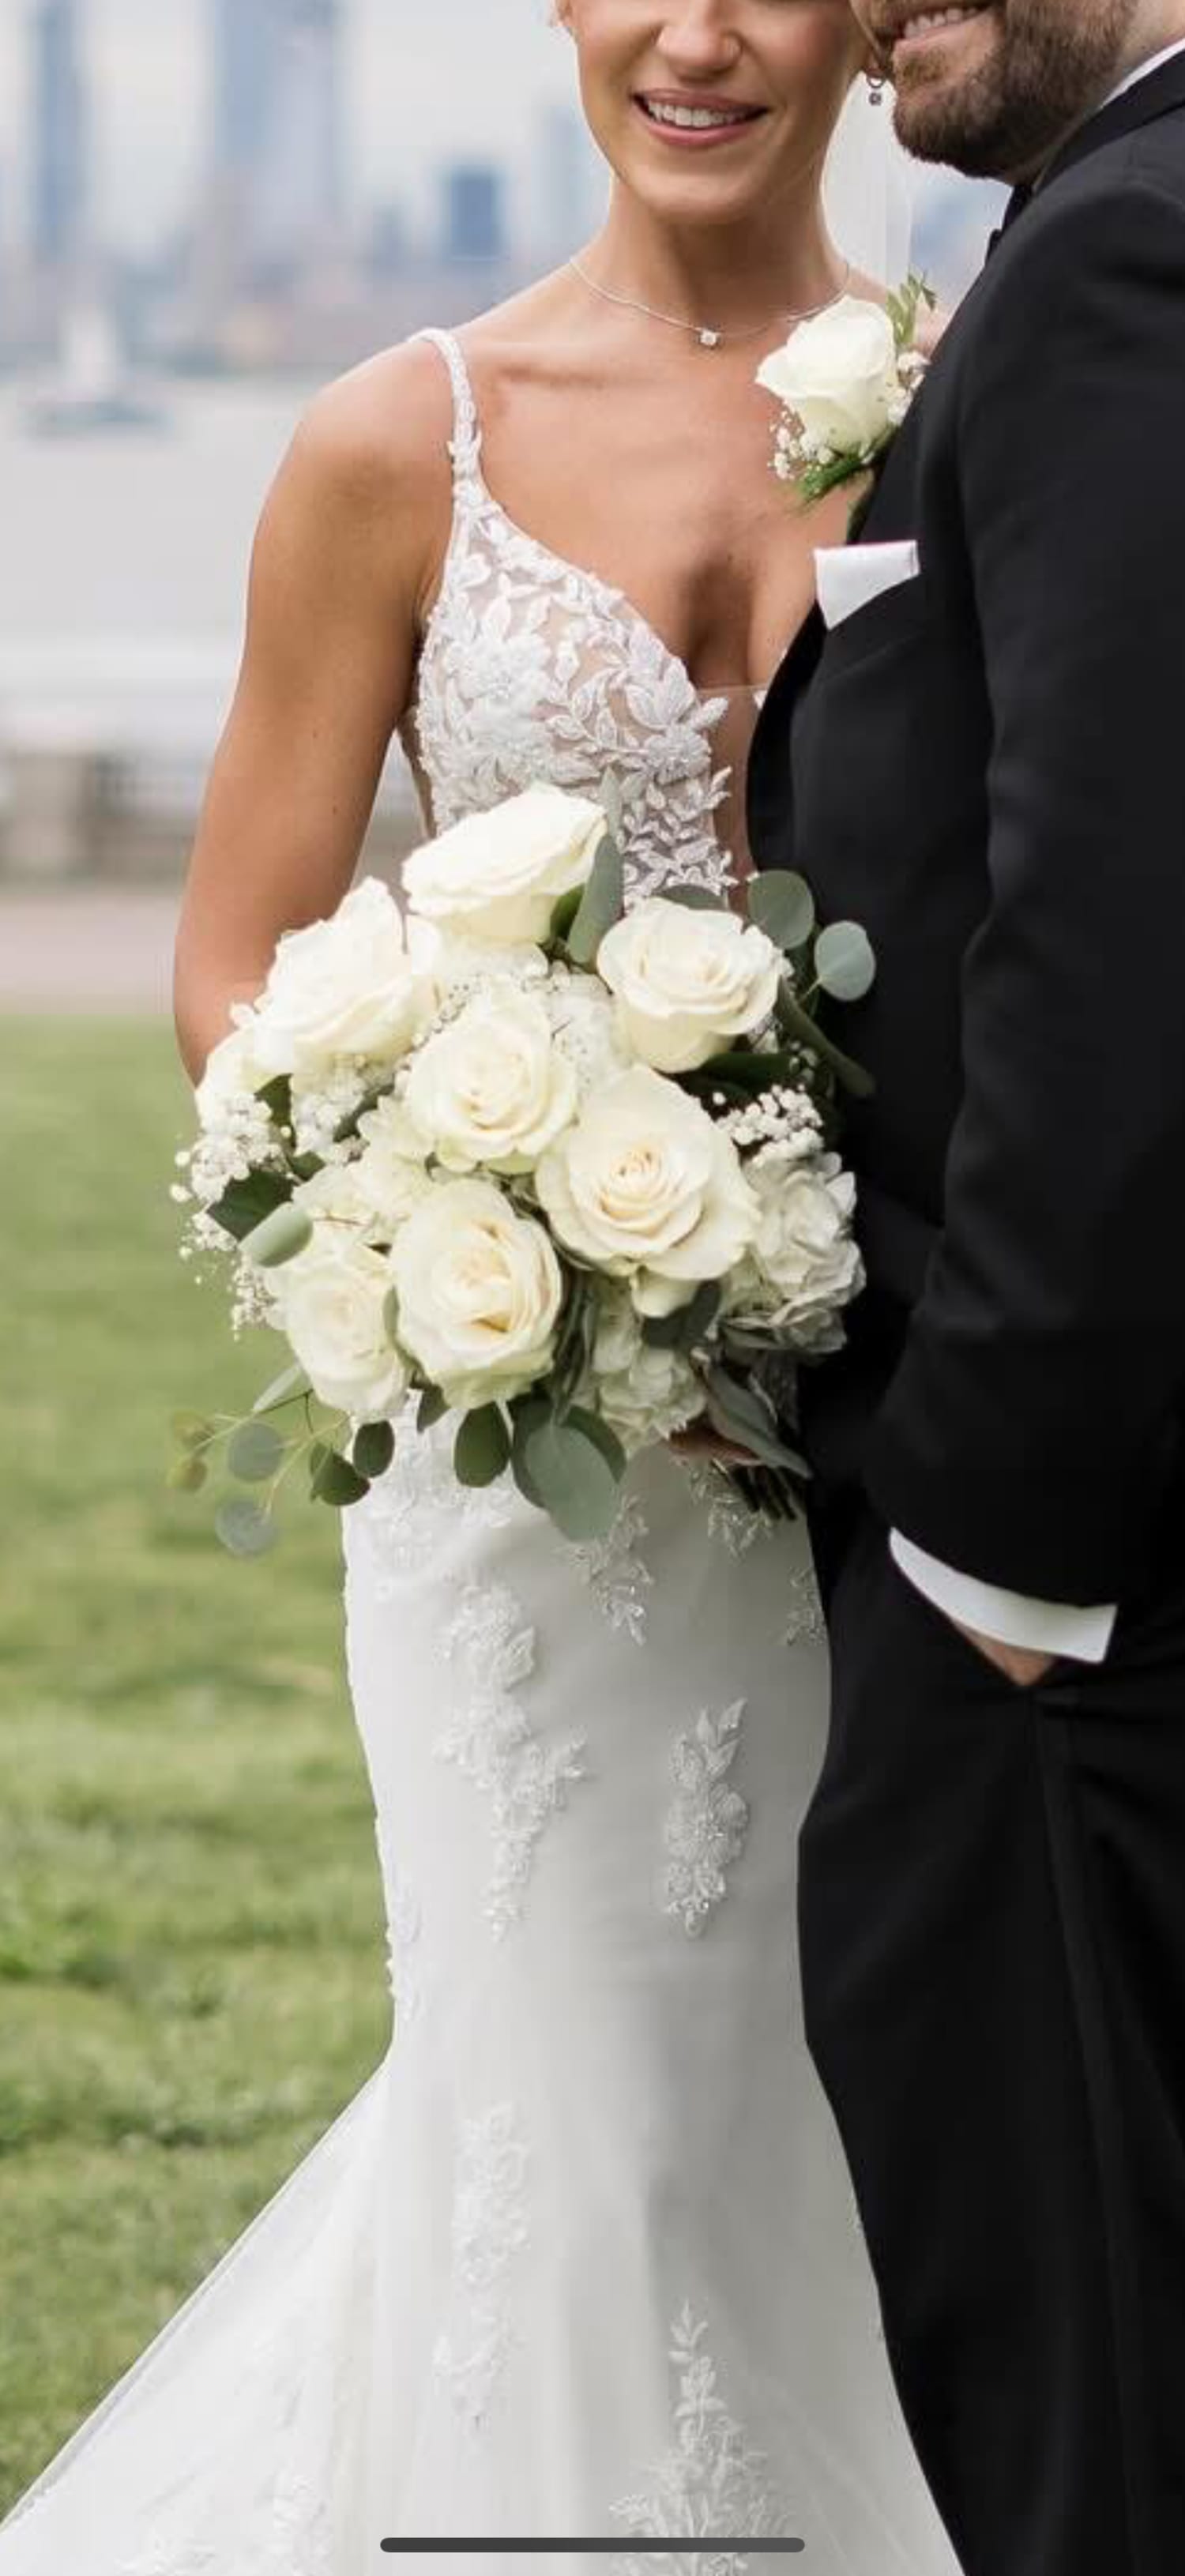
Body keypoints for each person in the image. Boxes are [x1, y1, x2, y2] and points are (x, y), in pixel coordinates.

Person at [0, 7, 958, 2574]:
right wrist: (498, 1245)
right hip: (525, 1476)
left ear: (882, 19)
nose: (703, 32)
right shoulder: (384, 442)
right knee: (572, 2107)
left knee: (854, 2113)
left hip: (912, 1454)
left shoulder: (988, 396)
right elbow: (238, 978)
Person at [748, 5, 1185, 2572]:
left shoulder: (1130, 248)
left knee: (1084, 2433)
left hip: (1079, 1596)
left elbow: (1113, 941)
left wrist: (994, 1560)